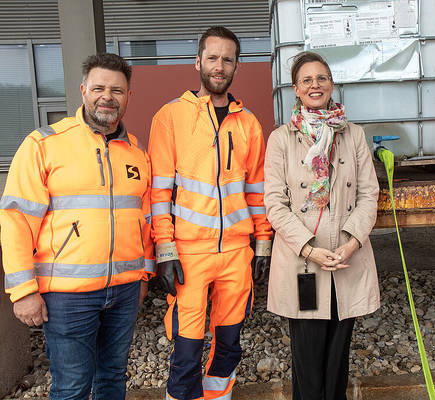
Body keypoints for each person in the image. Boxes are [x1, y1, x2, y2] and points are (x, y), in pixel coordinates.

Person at [0, 52, 154, 399]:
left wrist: (144, 275)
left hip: (125, 291)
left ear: (128, 97)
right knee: (72, 387)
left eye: (117, 90)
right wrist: (23, 291)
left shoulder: (136, 152)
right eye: (99, 88)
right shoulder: (44, 144)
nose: (107, 97)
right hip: (68, 296)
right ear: (83, 90)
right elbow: (16, 220)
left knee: (113, 379)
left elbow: (144, 220)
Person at [148, 26, 272, 400]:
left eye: (227, 60)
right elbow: (159, 193)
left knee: (229, 346)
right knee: (186, 351)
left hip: (236, 253)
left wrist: (263, 243)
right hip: (189, 254)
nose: (219, 66)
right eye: (213, 58)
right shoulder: (170, 117)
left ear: (236, 66)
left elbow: (257, 190)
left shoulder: (248, 123)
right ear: (197, 61)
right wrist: (164, 250)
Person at [264, 51, 380, 400]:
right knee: (308, 364)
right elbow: (275, 204)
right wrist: (309, 249)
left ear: (331, 84)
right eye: (307, 80)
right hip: (303, 263)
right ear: (296, 89)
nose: (315, 85)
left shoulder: (353, 135)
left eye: (322, 78)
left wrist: (351, 243)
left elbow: (368, 195)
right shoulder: (281, 139)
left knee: (337, 362)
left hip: (346, 260)